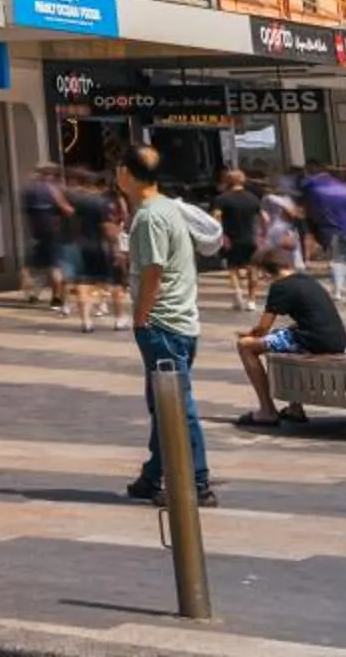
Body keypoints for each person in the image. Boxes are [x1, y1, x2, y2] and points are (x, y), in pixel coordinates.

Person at [122, 144, 213, 507]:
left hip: (163, 324)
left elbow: (153, 271)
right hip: (180, 322)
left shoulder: (148, 217)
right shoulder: (169, 208)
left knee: (175, 405)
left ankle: (198, 480)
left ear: (127, 173)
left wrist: (141, 319)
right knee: (165, 404)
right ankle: (154, 474)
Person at [234, 263, 346, 427]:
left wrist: (249, 335)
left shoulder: (280, 286)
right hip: (336, 339)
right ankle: (295, 408)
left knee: (245, 346)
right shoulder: (307, 280)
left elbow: (263, 328)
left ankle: (267, 411)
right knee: (287, 341)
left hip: (315, 341)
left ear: (265, 271)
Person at [299, 162, 346, 303]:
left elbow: (310, 210)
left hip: (329, 228)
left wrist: (311, 230)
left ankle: (338, 291)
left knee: (337, 260)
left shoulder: (315, 188)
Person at [64, 170, 118, 333]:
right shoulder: (101, 202)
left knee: (82, 284)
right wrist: (115, 243)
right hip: (97, 245)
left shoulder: (73, 201)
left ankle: (86, 321)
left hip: (76, 245)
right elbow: (107, 227)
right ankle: (103, 304)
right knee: (105, 280)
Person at [210, 169, 263, 312]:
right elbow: (264, 218)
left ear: (227, 181)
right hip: (251, 237)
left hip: (231, 238)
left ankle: (238, 295)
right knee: (253, 268)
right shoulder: (253, 198)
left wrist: (219, 234)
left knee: (233, 268)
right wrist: (263, 234)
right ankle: (252, 300)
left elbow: (216, 217)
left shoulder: (222, 199)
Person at [20, 165, 71, 311]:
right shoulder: (53, 189)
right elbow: (65, 209)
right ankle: (56, 299)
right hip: (53, 231)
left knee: (32, 264)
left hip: (35, 231)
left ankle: (31, 293)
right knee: (54, 265)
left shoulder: (28, 190)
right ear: (51, 175)